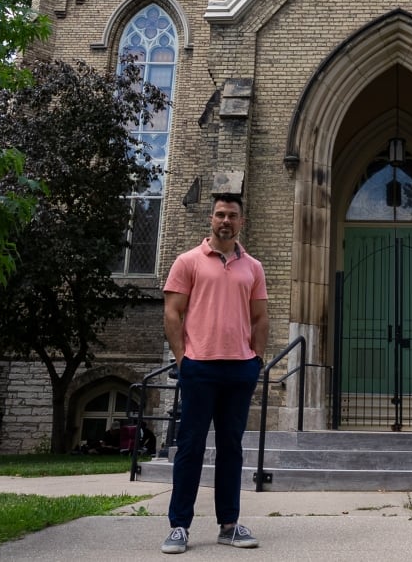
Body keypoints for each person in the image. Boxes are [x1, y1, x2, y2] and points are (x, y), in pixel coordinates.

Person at [160, 194, 269, 554]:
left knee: (231, 449)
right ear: (211, 219)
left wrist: (256, 359)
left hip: (239, 369)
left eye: (232, 215)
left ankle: (229, 524)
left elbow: (260, 317)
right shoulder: (188, 261)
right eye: (220, 214)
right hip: (199, 367)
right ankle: (179, 526)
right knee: (190, 447)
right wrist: (182, 359)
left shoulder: (252, 267)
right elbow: (173, 313)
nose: (226, 220)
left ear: (242, 222)